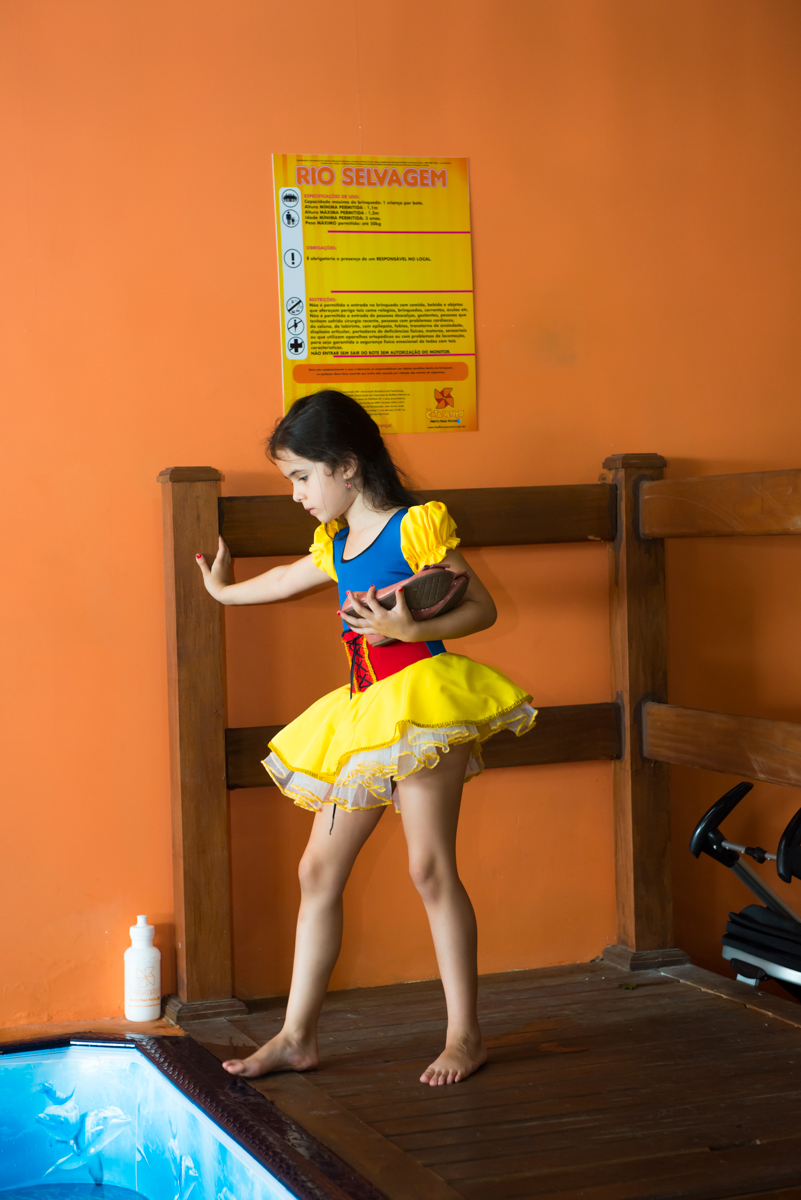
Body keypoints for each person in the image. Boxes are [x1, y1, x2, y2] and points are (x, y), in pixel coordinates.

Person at [196, 390, 536, 1086]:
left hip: (422, 705)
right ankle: (295, 1038)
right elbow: (292, 578)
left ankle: (463, 1036)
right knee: (316, 871)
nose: (296, 494)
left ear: (347, 467)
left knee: (427, 868)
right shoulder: (336, 541)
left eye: (301, 476)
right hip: (361, 712)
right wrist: (224, 593)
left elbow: (480, 605)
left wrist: (412, 628)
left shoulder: (415, 527)